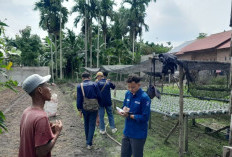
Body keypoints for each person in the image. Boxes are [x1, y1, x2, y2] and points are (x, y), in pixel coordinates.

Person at [19, 74, 63, 157]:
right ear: (40, 90)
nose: (50, 89)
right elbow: (41, 152)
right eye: (46, 85)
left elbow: (32, 138)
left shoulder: (26, 112)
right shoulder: (41, 117)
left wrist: (49, 131)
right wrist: (57, 133)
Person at [117, 74, 151, 157]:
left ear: (139, 85)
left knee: (137, 155)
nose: (130, 89)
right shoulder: (128, 94)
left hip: (138, 133)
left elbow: (145, 117)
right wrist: (123, 110)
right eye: (128, 87)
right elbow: (124, 105)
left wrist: (130, 116)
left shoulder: (145, 98)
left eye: (133, 87)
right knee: (124, 154)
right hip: (127, 131)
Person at [77, 72, 102, 149]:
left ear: (82, 78)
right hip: (94, 107)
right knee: (92, 124)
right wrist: (99, 106)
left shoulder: (79, 86)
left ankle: (87, 140)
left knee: (86, 123)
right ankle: (89, 143)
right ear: (89, 77)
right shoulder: (95, 84)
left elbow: (79, 99)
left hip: (85, 108)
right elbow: (99, 96)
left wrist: (79, 109)